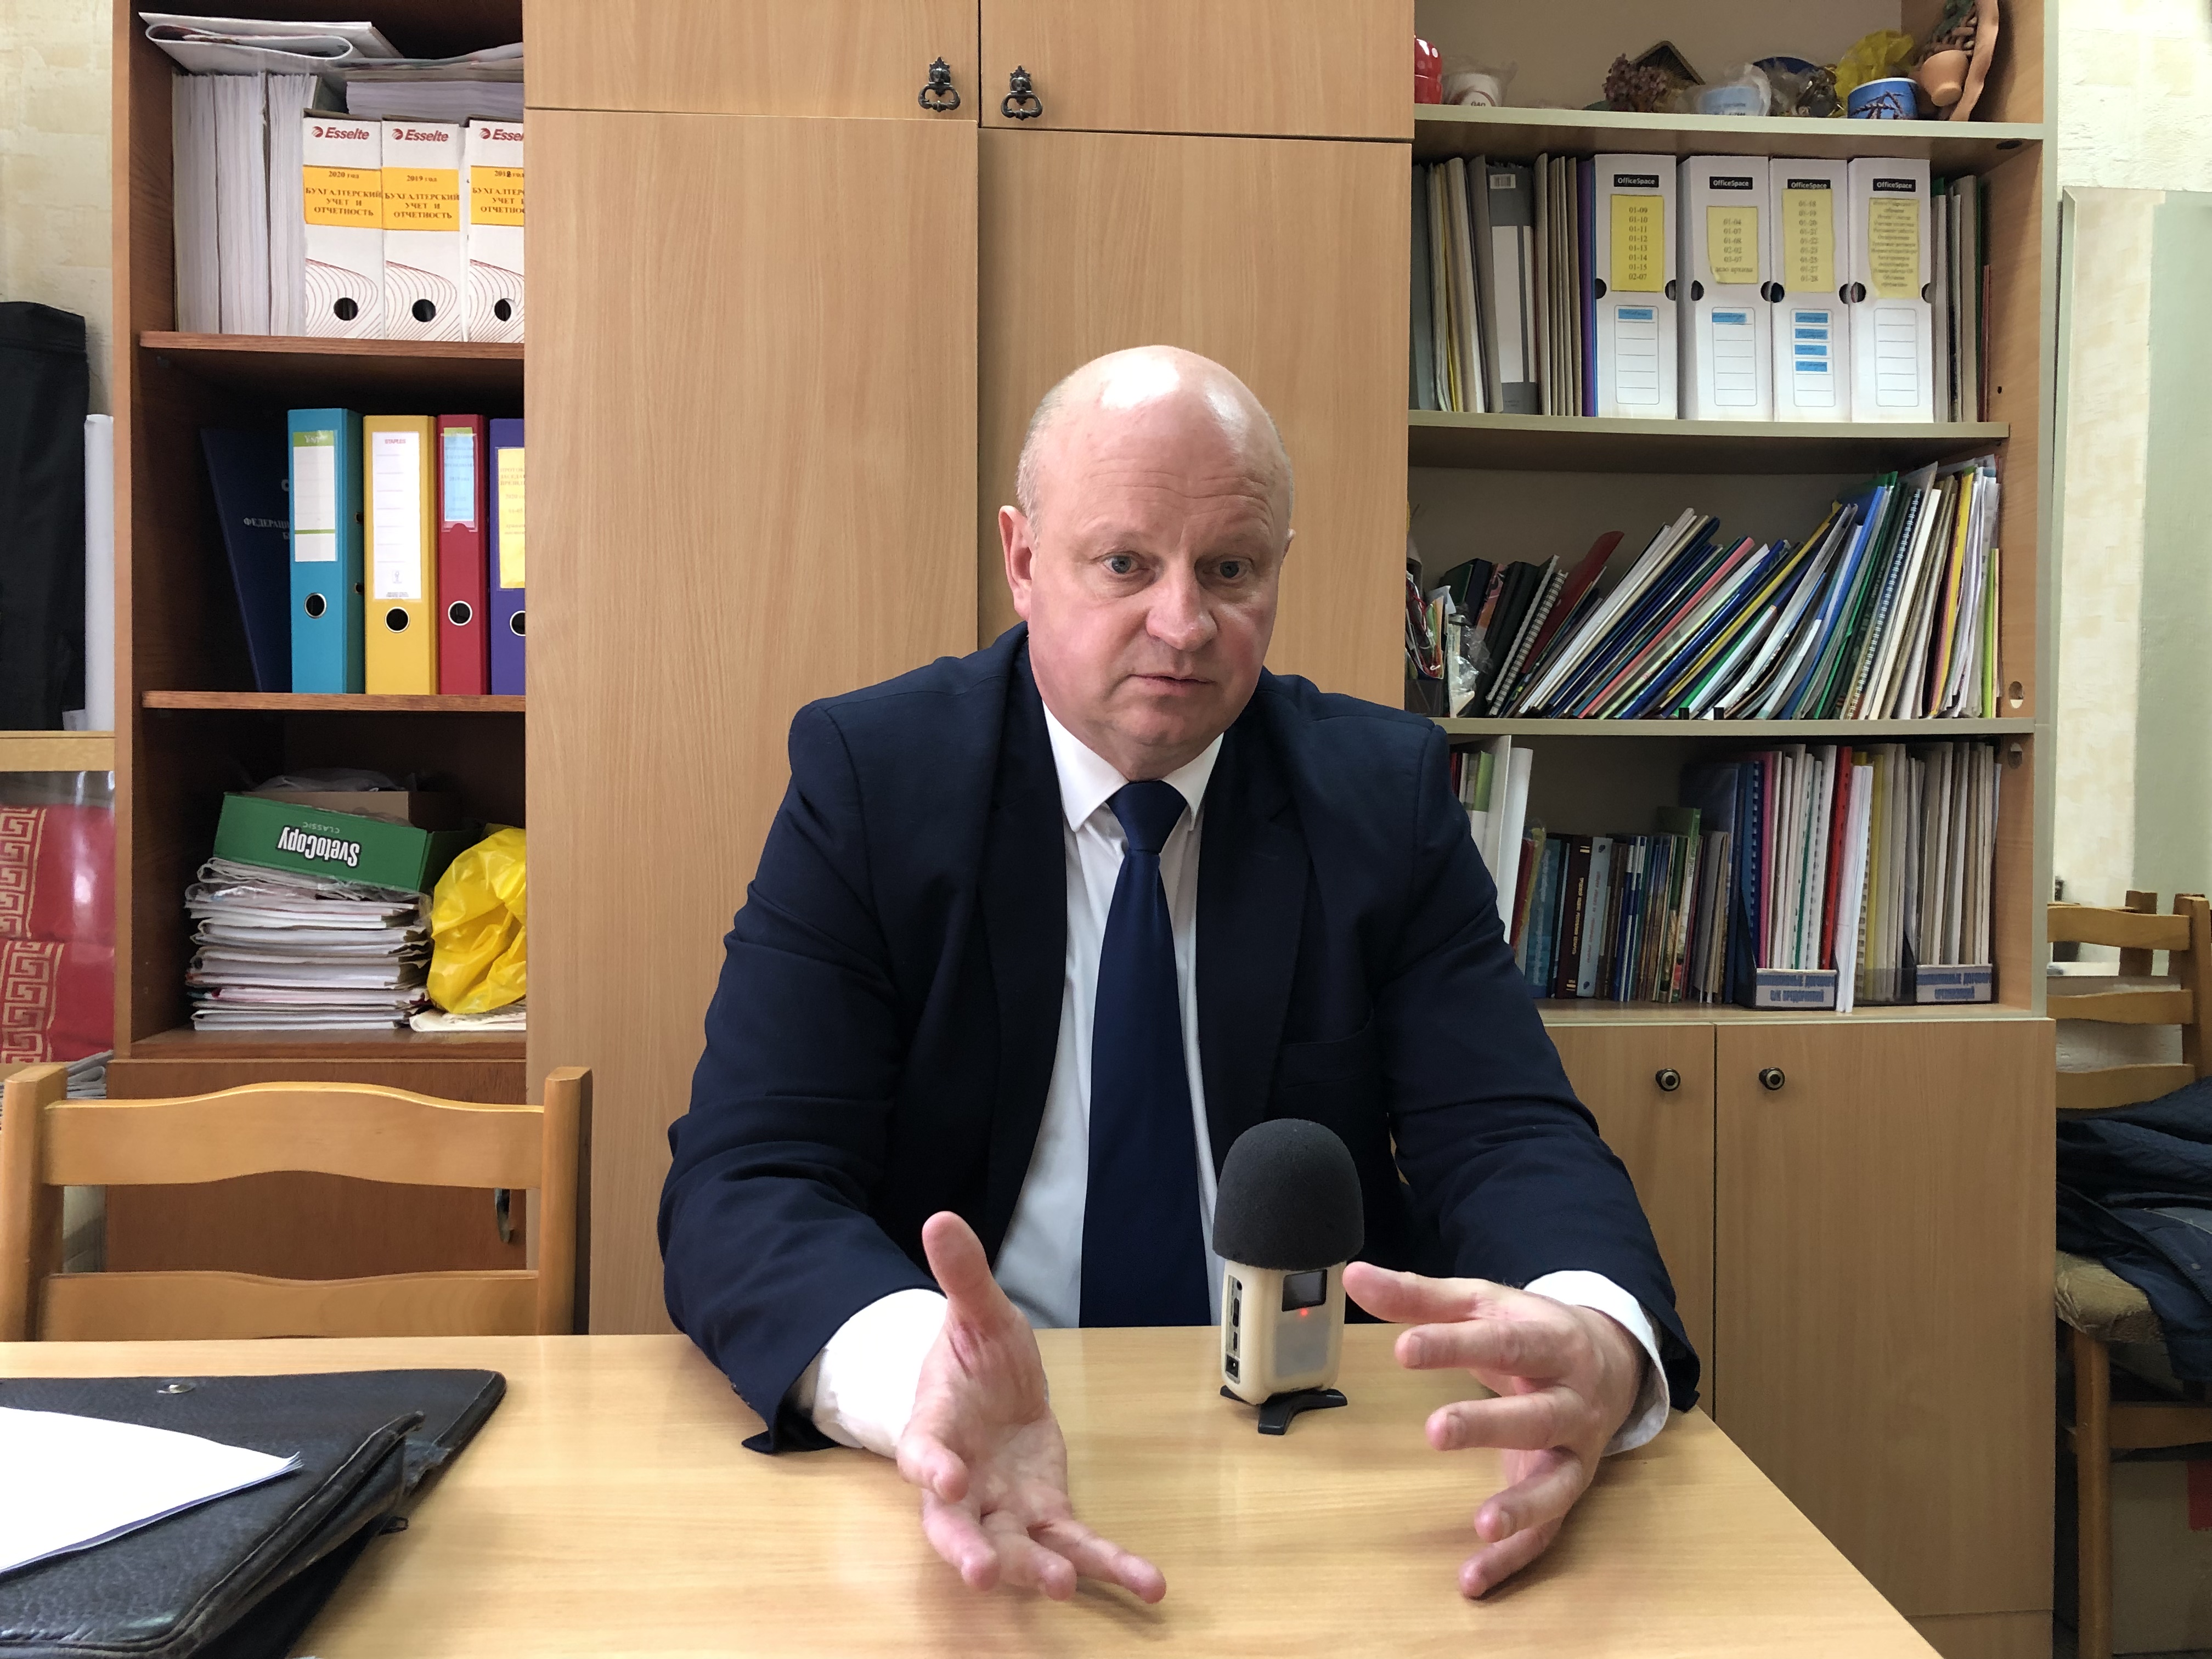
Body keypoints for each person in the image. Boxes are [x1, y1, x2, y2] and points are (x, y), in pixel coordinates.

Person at [660, 346, 1699, 1604]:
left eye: (1230, 570)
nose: (1183, 624)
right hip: (948, 1474)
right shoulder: (874, 782)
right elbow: (748, 1177)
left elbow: (1507, 1132)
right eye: (1124, 564)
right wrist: (920, 1373)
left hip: (1309, 1456)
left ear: (1278, 571)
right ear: (1022, 560)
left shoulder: (1381, 797)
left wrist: (1595, 1330)